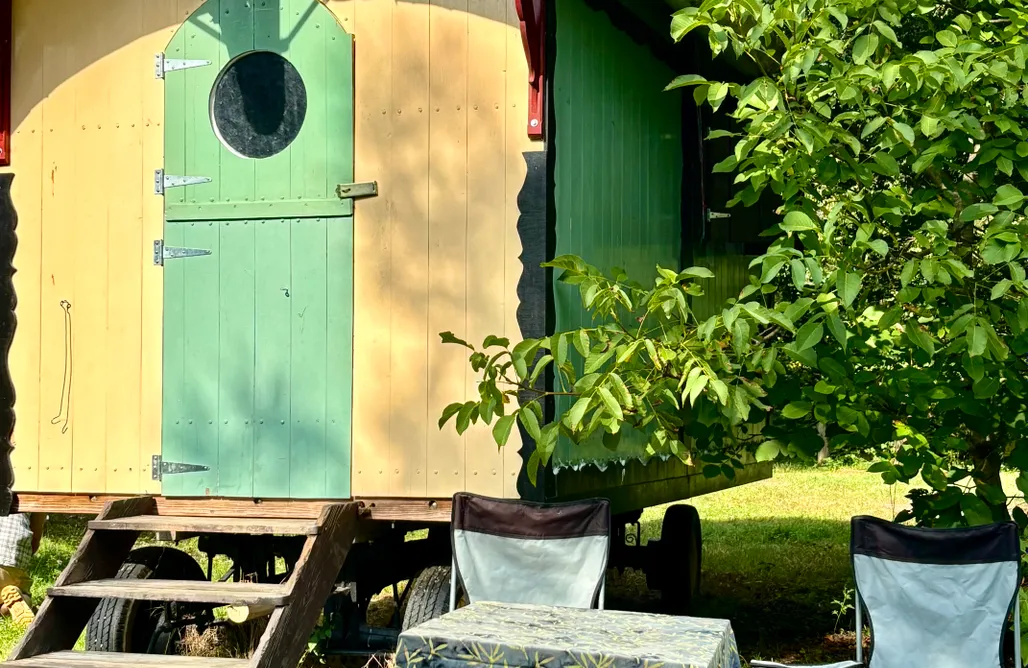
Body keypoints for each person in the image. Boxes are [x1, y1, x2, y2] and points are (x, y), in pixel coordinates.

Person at [0, 512, 44, 627]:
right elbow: (36, 536)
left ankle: (5, 607)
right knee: (23, 590)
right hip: (10, 557)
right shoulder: (35, 494)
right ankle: (17, 601)